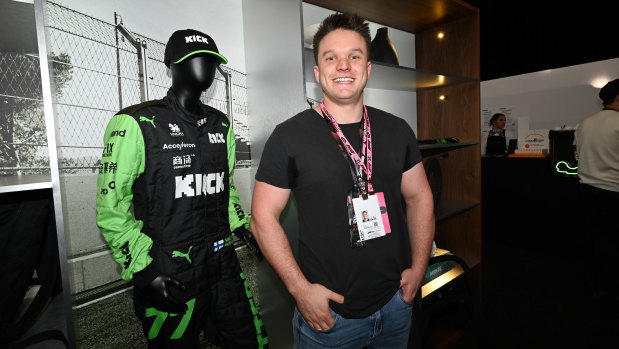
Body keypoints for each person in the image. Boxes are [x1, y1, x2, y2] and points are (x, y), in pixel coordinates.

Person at [250, 13, 435, 348]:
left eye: (354, 56)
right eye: (331, 58)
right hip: (329, 319)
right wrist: (300, 291)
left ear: (368, 69)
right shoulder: (289, 136)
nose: (344, 66)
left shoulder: (398, 130)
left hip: (396, 303)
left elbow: (420, 197)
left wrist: (419, 267)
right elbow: (262, 218)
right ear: (318, 72)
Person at [95, 29, 267, 349]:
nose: (204, 66)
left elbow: (224, 187)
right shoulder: (136, 122)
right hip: (170, 268)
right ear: (171, 64)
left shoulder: (222, 124)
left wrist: (242, 226)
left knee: (251, 341)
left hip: (221, 260)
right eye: (193, 58)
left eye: (211, 60)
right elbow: (111, 208)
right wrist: (144, 271)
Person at [574, 78, 619, 345]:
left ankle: (595, 288)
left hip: (587, 191)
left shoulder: (585, 123)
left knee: (594, 240)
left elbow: (578, 156)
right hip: (614, 192)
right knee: (612, 244)